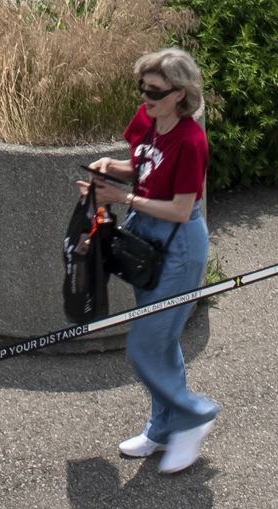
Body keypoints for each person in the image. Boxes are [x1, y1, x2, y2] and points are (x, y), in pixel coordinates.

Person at [80, 47, 216, 475]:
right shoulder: (146, 120)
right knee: (162, 343)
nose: (146, 97)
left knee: (144, 345)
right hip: (146, 235)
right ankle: (162, 428)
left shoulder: (192, 141)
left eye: (155, 90)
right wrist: (114, 169)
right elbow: (142, 166)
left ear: (180, 93)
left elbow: (180, 208)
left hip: (179, 244)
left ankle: (193, 415)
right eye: (142, 88)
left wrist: (122, 197)